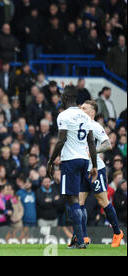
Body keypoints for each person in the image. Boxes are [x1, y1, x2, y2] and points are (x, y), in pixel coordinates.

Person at [46, 85, 98, 249]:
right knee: (77, 200)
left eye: (62, 96)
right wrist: (94, 164)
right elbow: (91, 141)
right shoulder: (84, 116)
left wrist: (50, 161)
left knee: (72, 200)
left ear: (66, 97)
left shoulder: (63, 115)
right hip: (84, 159)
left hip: (70, 161)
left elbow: (61, 140)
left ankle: (81, 240)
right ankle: (81, 237)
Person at [79, 100, 124, 247]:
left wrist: (93, 151)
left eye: (84, 107)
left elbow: (107, 144)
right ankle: (84, 237)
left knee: (103, 202)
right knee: (79, 203)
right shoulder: (79, 125)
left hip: (96, 168)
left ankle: (117, 233)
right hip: (82, 169)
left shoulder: (95, 126)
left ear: (92, 112)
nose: (81, 108)